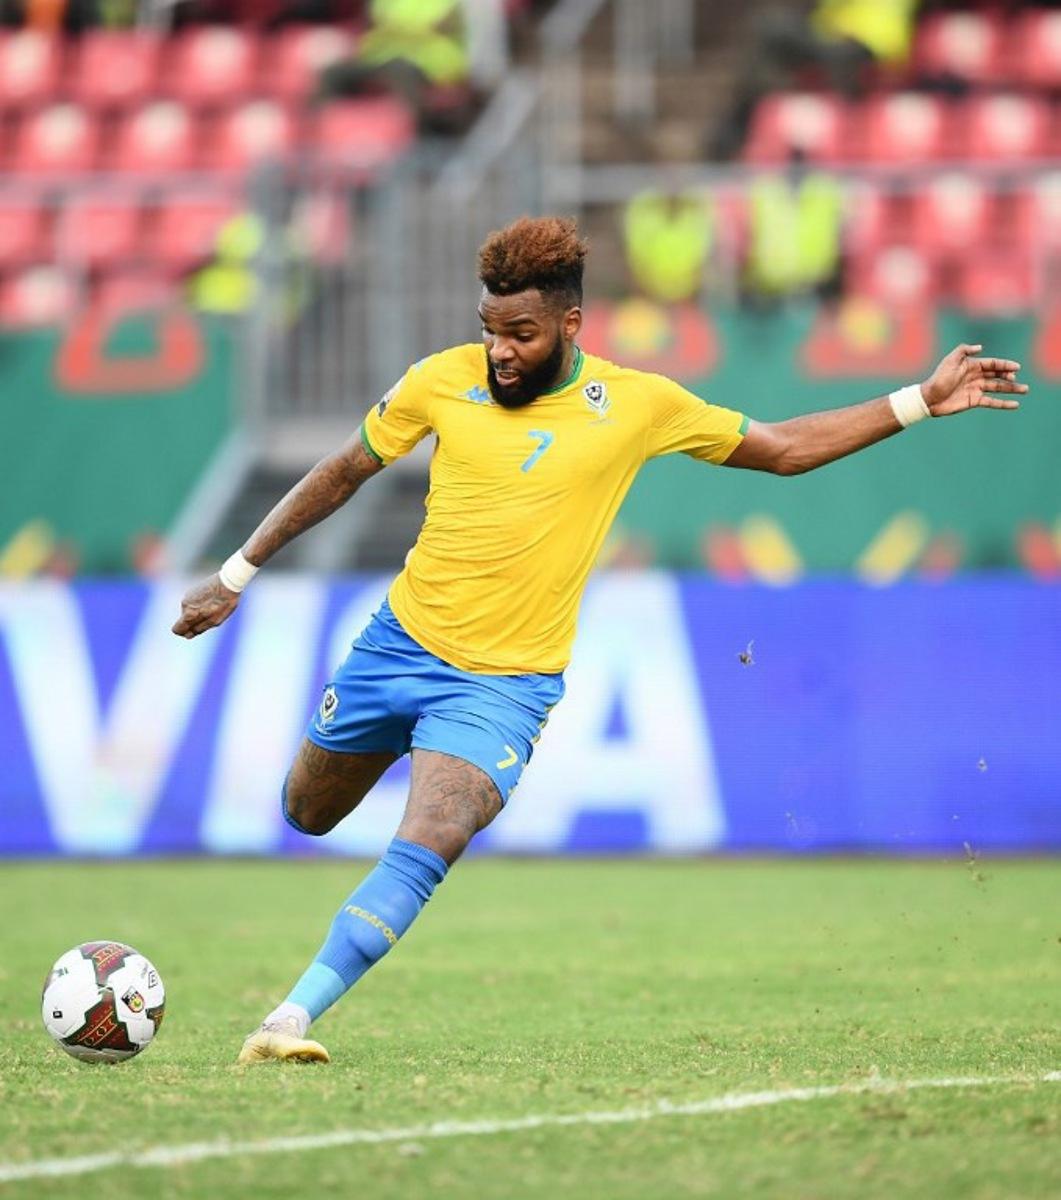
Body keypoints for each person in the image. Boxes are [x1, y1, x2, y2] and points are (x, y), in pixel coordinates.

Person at [172, 216, 1027, 1064]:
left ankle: (289, 1018)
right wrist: (235, 575)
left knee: (437, 828)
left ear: (570, 324)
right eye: (490, 330)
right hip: (395, 648)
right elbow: (342, 471)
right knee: (307, 813)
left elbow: (782, 448)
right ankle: (305, 956)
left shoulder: (635, 404)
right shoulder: (439, 380)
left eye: (521, 333)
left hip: (502, 685)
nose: (500, 351)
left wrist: (918, 401)